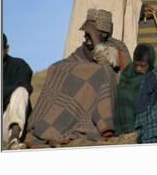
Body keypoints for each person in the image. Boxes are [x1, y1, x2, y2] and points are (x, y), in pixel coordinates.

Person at [26, 9, 131, 146]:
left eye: (90, 34)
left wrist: (95, 38)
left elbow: (106, 62)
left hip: (100, 98)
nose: (86, 37)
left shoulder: (116, 47)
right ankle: (49, 127)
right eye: (86, 34)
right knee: (56, 69)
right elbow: (69, 65)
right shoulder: (82, 50)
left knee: (101, 72)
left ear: (103, 34)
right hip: (78, 101)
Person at [114, 43, 156, 135]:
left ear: (151, 63)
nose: (138, 69)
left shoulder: (154, 76)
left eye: (142, 66)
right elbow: (122, 93)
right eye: (136, 65)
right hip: (122, 120)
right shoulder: (128, 71)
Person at [2, 33, 34, 150]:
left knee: (21, 91)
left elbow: (25, 88)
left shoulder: (19, 65)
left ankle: (14, 138)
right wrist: (10, 92)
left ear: (6, 49)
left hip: (9, 123)